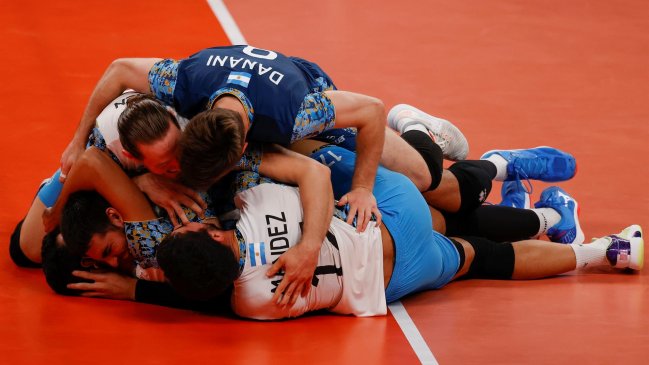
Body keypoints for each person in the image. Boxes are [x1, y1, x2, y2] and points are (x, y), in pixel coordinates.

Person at [157, 144, 643, 319]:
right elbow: (312, 178)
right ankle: (428, 140)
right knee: (325, 145)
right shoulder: (257, 203)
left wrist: (135, 290)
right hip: (390, 218)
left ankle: (600, 250)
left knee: (481, 258)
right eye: (192, 228)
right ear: (218, 237)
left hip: (396, 283)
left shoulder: (249, 305)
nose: (195, 220)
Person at [58, 45, 474, 232]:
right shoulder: (184, 81)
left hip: (305, 90)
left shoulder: (298, 115)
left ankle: (419, 127)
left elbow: (370, 109)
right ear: (193, 120)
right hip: (252, 102)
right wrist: (77, 142)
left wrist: (363, 188)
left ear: (243, 149)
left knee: (423, 178)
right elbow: (117, 69)